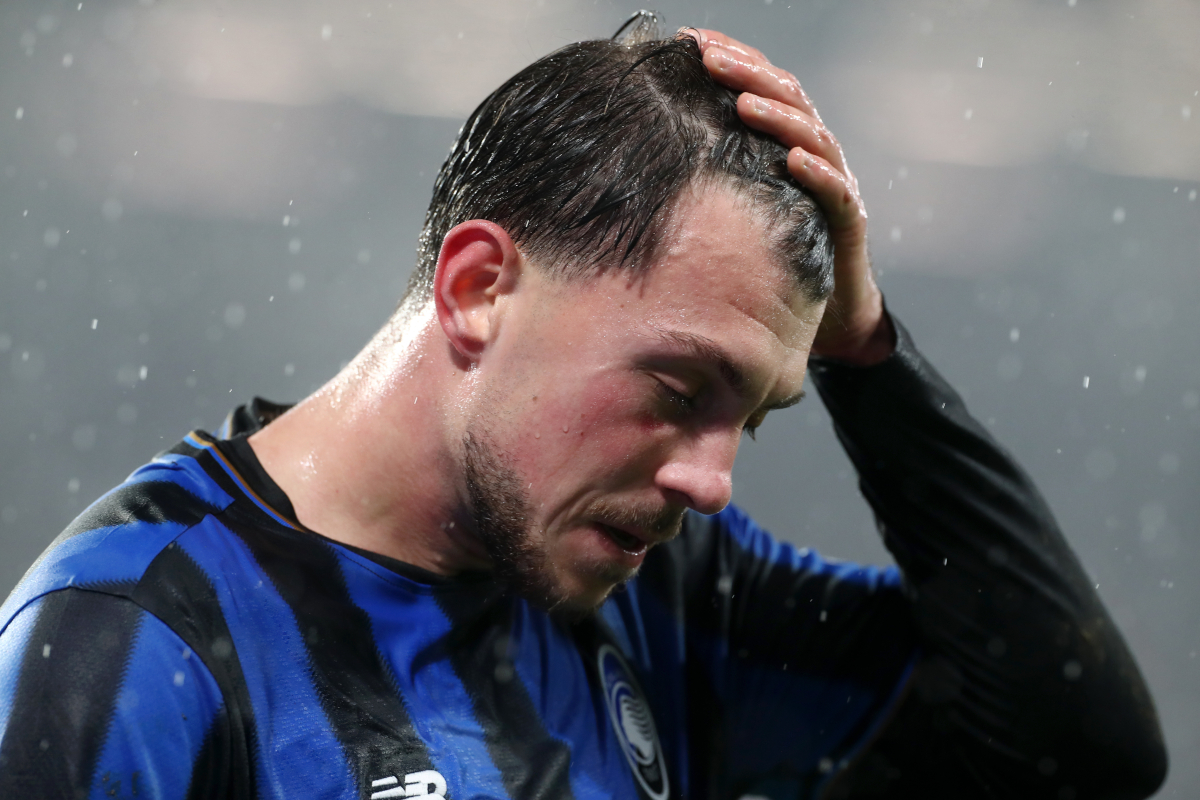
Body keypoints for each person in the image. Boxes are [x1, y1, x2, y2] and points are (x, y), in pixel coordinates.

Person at [0, 16, 1166, 800]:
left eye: (751, 417)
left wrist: (870, 358)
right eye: (677, 391)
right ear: (478, 289)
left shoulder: (662, 594)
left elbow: (1078, 745)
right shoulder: (129, 639)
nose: (711, 480)